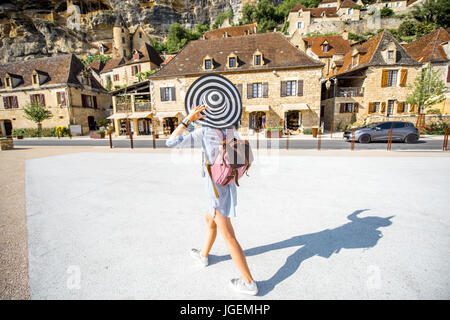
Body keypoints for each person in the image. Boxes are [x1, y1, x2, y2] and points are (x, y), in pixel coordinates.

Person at [166, 104, 258, 296]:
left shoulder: (205, 132)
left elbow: (171, 142)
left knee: (229, 236)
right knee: (210, 220)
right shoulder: (231, 130)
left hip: (216, 192)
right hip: (228, 187)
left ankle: (249, 283)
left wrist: (188, 119)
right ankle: (203, 255)